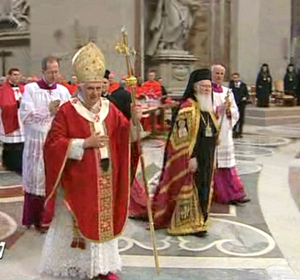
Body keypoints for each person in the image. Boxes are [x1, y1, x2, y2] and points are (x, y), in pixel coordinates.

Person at [40, 42, 130, 280]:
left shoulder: (110, 108)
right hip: (77, 181)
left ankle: (102, 266)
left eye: (98, 88)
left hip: (105, 177)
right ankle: (79, 267)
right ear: (79, 86)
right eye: (90, 88)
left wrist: (136, 123)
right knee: (77, 226)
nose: (95, 93)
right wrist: (83, 143)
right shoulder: (67, 111)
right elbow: (52, 144)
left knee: (103, 221)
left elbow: (126, 134)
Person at [152, 69, 218, 237]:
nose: (206, 89)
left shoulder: (207, 107)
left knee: (204, 188)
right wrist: (192, 157)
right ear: (195, 87)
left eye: (209, 86)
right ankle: (189, 222)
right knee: (193, 187)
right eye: (203, 86)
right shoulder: (188, 108)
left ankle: (201, 219)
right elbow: (180, 138)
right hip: (193, 158)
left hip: (208, 157)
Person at [20, 55, 70, 232]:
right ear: (43, 72)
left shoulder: (63, 91)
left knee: (54, 177)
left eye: (56, 71)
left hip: (56, 142)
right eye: (50, 72)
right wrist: (47, 111)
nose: (54, 75)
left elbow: (69, 115)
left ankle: (52, 218)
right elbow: (25, 115)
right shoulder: (31, 89)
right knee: (37, 179)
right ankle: (37, 219)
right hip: (37, 142)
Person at [211, 64, 250, 205]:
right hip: (213, 132)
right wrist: (217, 109)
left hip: (225, 131)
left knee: (227, 164)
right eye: (217, 73)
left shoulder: (228, 92)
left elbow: (235, 111)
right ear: (212, 74)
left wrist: (229, 111)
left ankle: (234, 193)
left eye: (221, 73)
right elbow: (204, 111)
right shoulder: (207, 91)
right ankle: (219, 193)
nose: (219, 76)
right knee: (215, 165)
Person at [0, 68, 24, 174]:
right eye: (14, 75)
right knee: (10, 143)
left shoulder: (23, 89)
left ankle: (20, 162)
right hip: (10, 118)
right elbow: (5, 105)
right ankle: (9, 163)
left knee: (21, 143)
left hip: (22, 120)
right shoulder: (3, 90)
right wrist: (17, 104)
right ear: (9, 76)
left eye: (18, 75)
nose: (17, 77)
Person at [229, 72, 249, 138]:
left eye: (236, 77)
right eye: (234, 77)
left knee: (241, 119)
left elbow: (246, 94)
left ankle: (240, 132)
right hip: (234, 104)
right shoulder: (231, 85)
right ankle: (234, 132)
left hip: (241, 104)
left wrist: (245, 98)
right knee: (234, 118)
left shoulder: (243, 85)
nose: (235, 79)